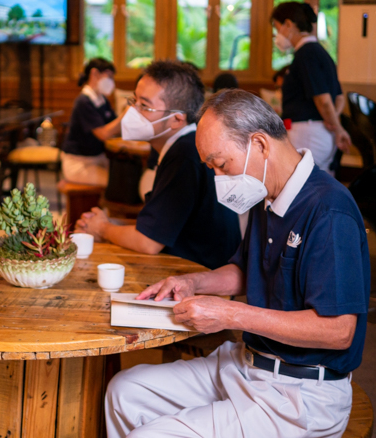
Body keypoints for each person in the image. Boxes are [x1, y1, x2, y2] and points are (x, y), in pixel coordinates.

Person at [105, 89, 370, 438]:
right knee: (125, 392)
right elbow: (247, 271)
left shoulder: (329, 210)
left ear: (259, 144)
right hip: (245, 364)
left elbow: (338, 331)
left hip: (299, 394)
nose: (218, 178)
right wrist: (193, 283)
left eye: (221, 164)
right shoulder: (269, 193)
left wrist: (229, 315)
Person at [76, 61, 241, 270]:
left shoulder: (184, 154)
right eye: (134, 101)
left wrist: (102, 228)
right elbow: (160, 226)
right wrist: (111, 224)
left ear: (176, 119)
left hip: (199, 274)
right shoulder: (184, 144)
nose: (132, 112)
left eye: (144, 106)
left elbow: (148, 242)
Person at [272, 1, 350, 173]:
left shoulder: (306, 54)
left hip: (308, 135)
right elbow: (339, 98)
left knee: (300, 190)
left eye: (277, 28)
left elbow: (323, 100)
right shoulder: (321, 52)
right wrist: (331, 123)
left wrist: (336, 128)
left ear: (288, 24)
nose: (277, 34)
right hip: (319, 132)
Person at [61, 58, 126, 187]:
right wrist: (125, 114)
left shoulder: (101, 100)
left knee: (126, 175)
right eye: (109, 77)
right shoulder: (84, 102)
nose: (111, 82)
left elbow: (115, 126)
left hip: (98, 158)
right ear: (95, 73)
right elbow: (104, 134)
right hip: (79, 163)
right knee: (117, 184)